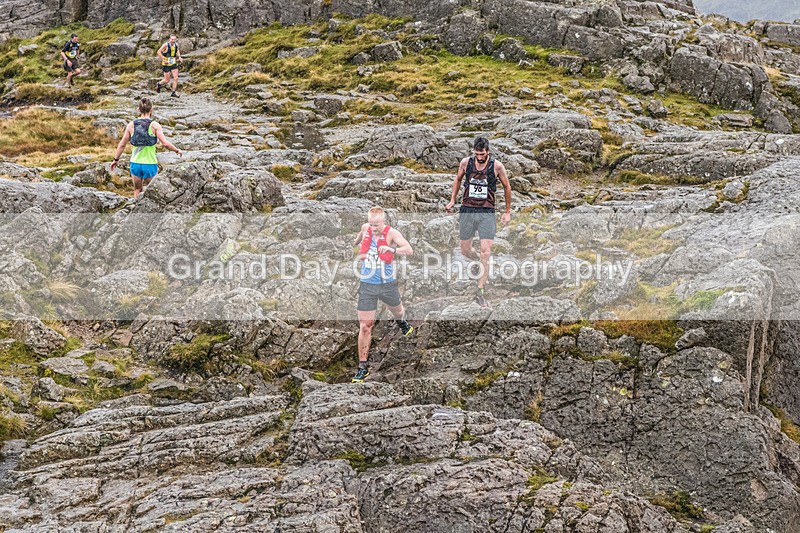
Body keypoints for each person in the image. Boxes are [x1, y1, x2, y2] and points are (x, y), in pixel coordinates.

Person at [445, 137, 512, 308]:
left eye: (482, 154)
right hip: (467, 209)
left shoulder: (496, 166)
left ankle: (480, 291)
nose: (480, 157)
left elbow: (506, 187)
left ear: (488, 151)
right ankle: (478, 262)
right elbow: (458, 179)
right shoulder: (466, 163)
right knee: (465, 249)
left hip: (486, 212)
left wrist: (507, 212)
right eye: (477, 154)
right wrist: (452, 200)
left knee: (485, 252)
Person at [352, 207, 414, 383]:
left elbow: (409, 250)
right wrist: (357, 241)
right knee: (365, 325)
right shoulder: (366, 228)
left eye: (376, 225)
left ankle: (402, 322)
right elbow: (359, 235)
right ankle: (362, 366)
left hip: (387, 284)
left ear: (383, 222)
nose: (373, 228)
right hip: (367, 285)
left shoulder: (392, 233)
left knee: (398, 311)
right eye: (371, 225)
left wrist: (391, 250)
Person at [110, 98, 183, 200]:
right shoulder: (155, 125)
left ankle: (136, 211)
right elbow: (165, 144)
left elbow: (122, 144)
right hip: (150, 164)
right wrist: (176, 150)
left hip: (135, 163)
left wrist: (115, 160)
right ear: (151, 109)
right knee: (152, 191)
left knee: (137, 190)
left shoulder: (131, 125)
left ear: (138, 109)